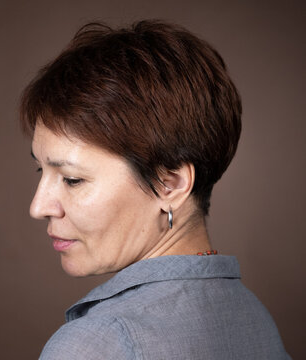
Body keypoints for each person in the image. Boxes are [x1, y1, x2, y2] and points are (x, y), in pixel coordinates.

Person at [19, 20, 290, 359]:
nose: (39, 206)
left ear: (171, 184)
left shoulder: (95, 344)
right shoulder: (254, 318)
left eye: (72, 179)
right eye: (40, 170)